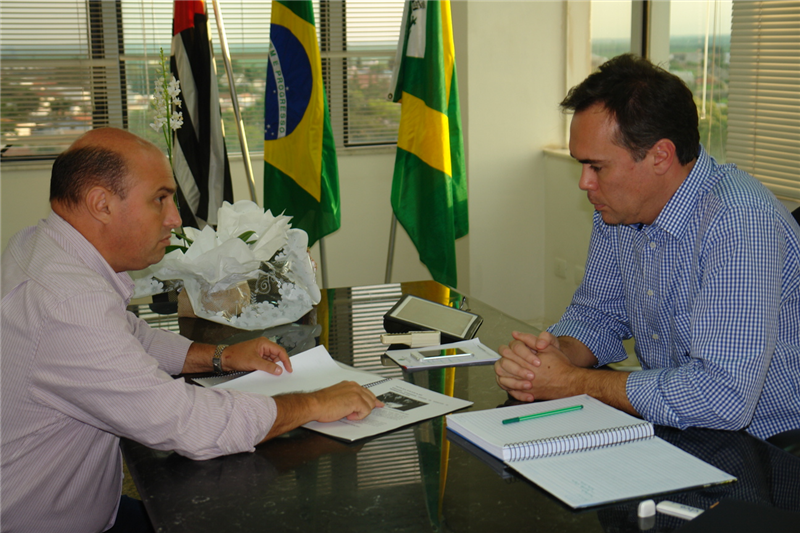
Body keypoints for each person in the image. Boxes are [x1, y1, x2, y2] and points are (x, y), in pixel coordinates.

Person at [0, 128, 383, 533]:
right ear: (101, 204)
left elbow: (130, 335)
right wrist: (314, 403)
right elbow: (191, 425)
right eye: (160, 199)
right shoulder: (68, 303)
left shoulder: (38, 247)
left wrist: (220, 357)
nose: (175, 218)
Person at [494, 54, 800, 441]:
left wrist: (571, 382)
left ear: (660, 156)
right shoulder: (622, 208)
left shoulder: (738, 221)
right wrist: (548, 358)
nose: (584, 183)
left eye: (597, 167)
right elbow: (598, 314)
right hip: (679, 426)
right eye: (581, 166)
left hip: (772, 448)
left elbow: (723, 396)